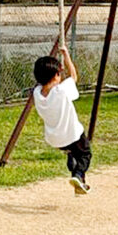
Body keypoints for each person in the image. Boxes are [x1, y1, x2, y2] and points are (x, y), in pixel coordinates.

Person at [33, 47, 92, 195]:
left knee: (73, 151)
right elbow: (73, 76)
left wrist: (56, 72)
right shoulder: (61, 91)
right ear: (55, 75)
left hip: (55, 139)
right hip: (72, 135)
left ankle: (76, 173)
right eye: (59, 74)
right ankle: (77, 174)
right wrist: (66, 55)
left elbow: (49, 83)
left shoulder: (37, 93)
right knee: (85, 155)